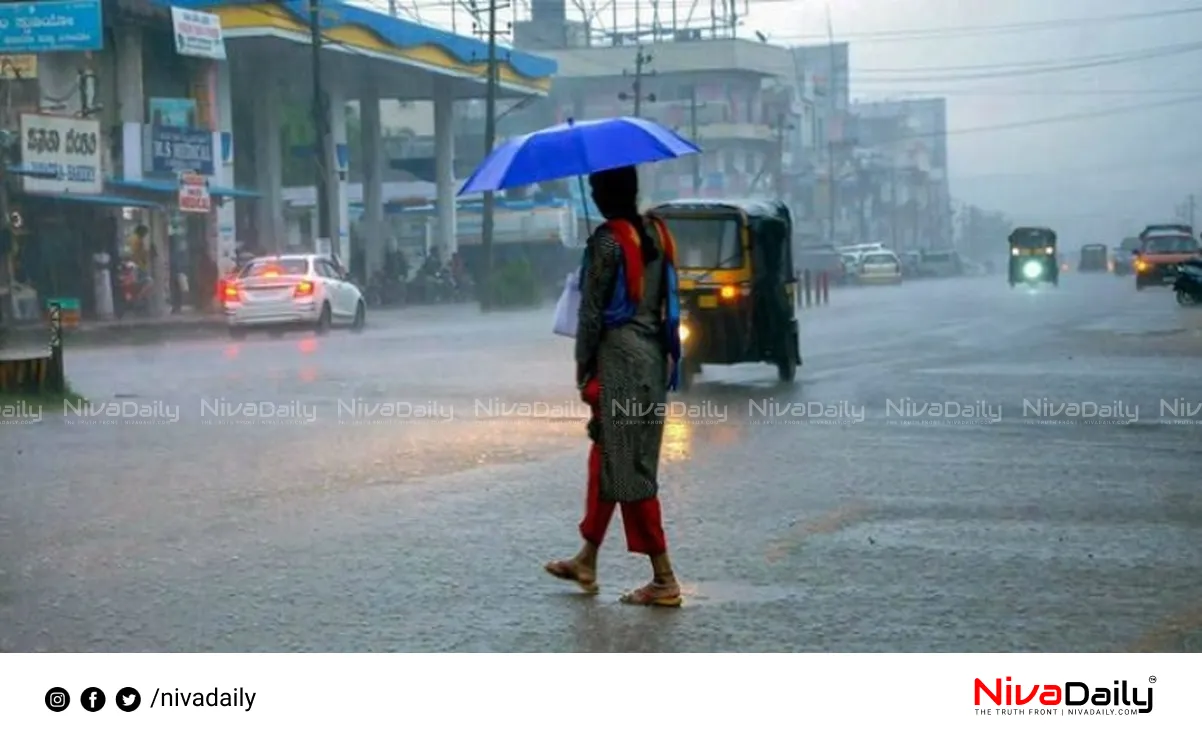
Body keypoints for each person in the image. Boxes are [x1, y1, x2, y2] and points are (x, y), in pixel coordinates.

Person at [544, 165, 685, 607]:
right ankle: (587, 557)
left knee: (628, 471)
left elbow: (590, 314)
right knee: (609, 458)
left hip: (620, 364)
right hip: (652, 360)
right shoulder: (658, 233)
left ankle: (664, 578)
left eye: (594, 186)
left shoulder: (607, 241)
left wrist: (583, 364)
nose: (593, 192)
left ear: (606, 193)